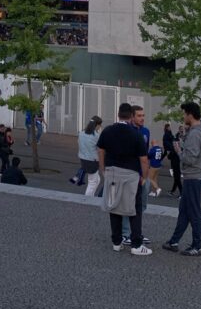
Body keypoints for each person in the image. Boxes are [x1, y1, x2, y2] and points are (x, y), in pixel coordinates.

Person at [97, 102, 151, 256]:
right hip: (131, 175)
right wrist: (144, 177)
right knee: (135, 209)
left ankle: (116, 241)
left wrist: (102, 168)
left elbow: (100, 149)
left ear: (118, 114)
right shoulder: (136, 135)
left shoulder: (108, 131)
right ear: (131, 116)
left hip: (112, 172)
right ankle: (136, 243)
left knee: (113, 207)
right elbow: (144, 159)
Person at [163, 102, 201, 257]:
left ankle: (197, 246)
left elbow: (189, 158)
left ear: (190, 114)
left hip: (193, 176)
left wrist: (179, 151)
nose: (183, 117)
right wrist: (186, 135)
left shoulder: (195, 134)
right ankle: (174, 241)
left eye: (184, 114)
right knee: (184, 210)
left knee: (193, 211)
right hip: (198, 174)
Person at [74, 117, 102, 195]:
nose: (100, 127)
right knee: (92, 182)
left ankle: (91, 196)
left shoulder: (81, 133)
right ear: (97, 125)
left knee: (97, 179)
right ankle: (87, 199)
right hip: (92, 161)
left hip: (83, 159)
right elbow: (100, 149)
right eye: (100, 125)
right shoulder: (96, 136)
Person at [164, 124, 182, 196]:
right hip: (176, 162)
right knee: (176, 177)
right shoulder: (177, 147)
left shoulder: (174, 149)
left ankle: (182, 192)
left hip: (175, 163)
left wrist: (169, 153)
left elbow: (170, 156)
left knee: (177, 177)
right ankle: (172, 191)